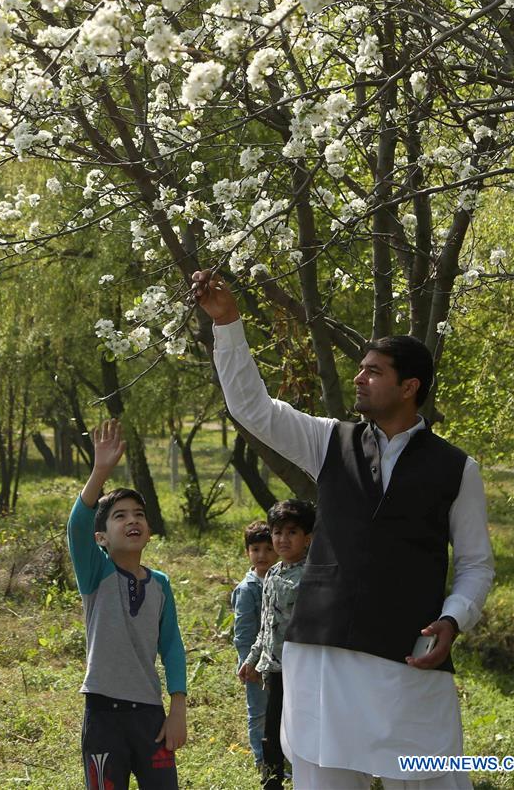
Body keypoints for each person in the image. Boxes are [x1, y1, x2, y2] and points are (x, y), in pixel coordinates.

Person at [192, 269, 495, 790]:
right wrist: (228, 325)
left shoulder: (456, 468)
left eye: (374, 371)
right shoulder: (330, 441)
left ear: (409, 386)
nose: (358, 378)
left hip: (407, 655)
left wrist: (454, 618)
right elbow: (252, 409)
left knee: (431, 777)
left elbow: (475, 563)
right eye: (359, 369)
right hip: (320, 653)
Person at [67, 419, 187, 790]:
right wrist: (100, 471)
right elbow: (76, 526)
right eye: (120, 516)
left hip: (150, 716)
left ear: (149, 530)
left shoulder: (161, 585)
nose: (132, 520)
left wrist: (177, 710)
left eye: (139, 514)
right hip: (103, 714)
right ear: (100, 537)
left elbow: (172, 648)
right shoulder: (95, 575)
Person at [239, 500, 315, 790]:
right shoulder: (271, 573)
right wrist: (252, 658)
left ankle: (309, 780)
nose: (282, 539)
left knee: (302, 729)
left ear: (307, 538)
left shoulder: (313, 575)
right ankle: (271, 781)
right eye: (277, 532)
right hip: (274, 668)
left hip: (302, 668)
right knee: (271, 729)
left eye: (291, 532)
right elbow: (266, 624)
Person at [231, 520, 279, 767]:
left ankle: (279, 758)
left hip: (277, 661)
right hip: (255, 665)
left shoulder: (280, 579)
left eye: (268, 549)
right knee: (259, 713)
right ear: (247, 552)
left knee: (279, 710)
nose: (262, 555)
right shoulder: (248, 588)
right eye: (256, 549)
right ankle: (263, 762)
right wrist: (249, 665)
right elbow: (243, 633)